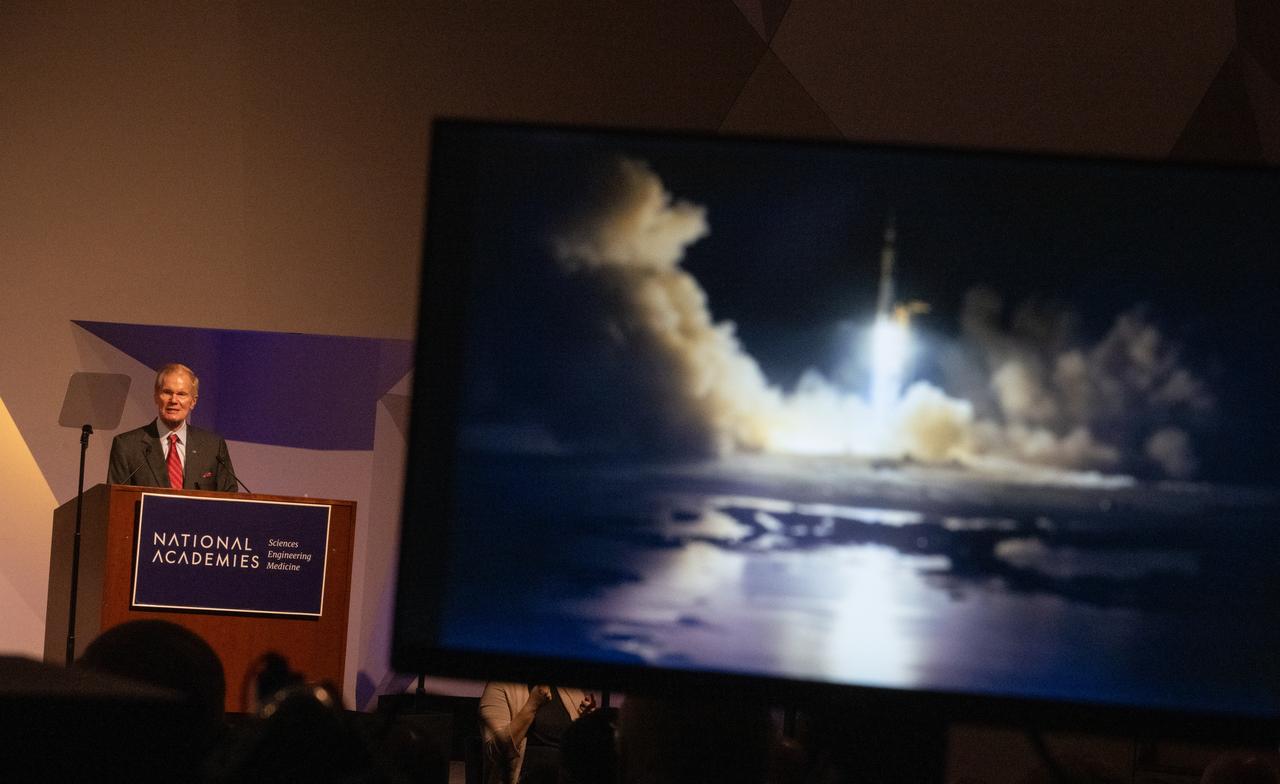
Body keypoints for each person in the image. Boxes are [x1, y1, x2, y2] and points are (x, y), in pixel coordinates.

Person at [107, 362, 240, 491]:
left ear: (193, 401)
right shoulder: (127, 446)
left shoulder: (213, 446)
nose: (174, 400)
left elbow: (229, 498)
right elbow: (115, 500)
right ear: (156, 397)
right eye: (167, 392)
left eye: (181, 394)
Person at [478, 682, 598, 784]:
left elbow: (582, 752)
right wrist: (532, 704)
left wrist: (586, 721)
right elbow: (495, 751)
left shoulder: (569, 690)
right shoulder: (500, 686)